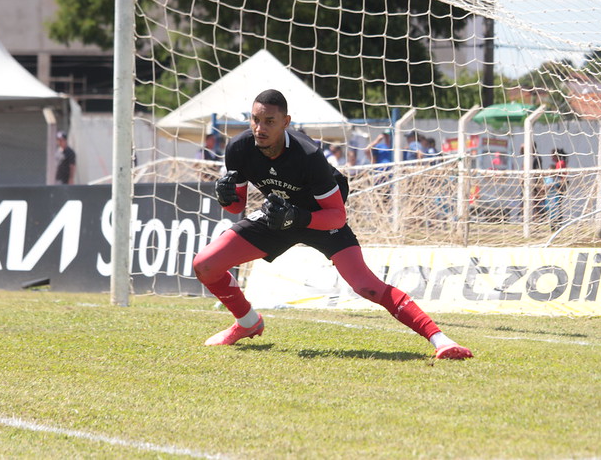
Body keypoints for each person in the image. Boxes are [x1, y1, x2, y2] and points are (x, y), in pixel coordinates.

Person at [192, 89, 472, 359]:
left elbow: (337, 215)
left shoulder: (308, 155)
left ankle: (441, 340)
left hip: (321, 219)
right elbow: (236, 207)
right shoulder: (239, 148)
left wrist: (298, 217)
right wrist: (225, 196)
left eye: (269, 121)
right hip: (278, 216)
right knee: (204, 264)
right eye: (255, 119)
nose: (259, 128)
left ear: (285, 123)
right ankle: (248, 322)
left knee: (366, 286)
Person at [543, 148, 568, 231]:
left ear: (556, 155)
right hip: (557, 186)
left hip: (559, 186)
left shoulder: (560, 163)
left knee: (557, 207)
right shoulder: (560, 163)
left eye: (552, 156)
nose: (551, 158)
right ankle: (556, 224)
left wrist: (559, 184)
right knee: (556, 207)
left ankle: (557, 225)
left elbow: (561, 176)